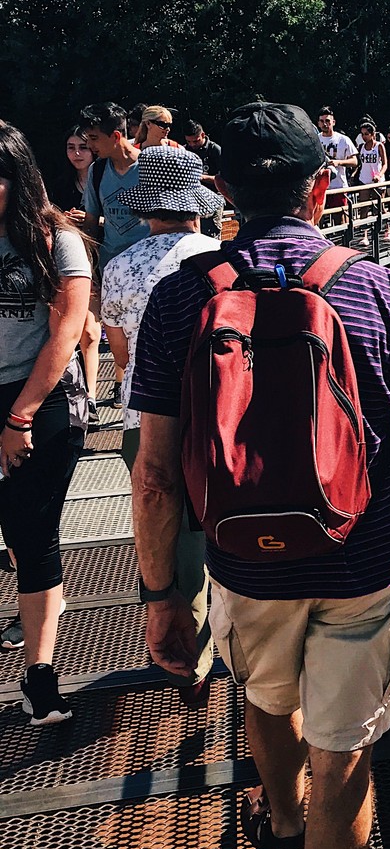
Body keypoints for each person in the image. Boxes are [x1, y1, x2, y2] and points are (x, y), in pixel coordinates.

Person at [129, 101, 390, 849]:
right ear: (325, 186)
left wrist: (164, 597)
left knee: (265, 695)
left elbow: (155, 477)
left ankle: (280, 832)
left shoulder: (179, 298)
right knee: (345, 753)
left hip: (244, 560)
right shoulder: (378, 288)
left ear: (225, 194)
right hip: (364, 568)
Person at [100, 147, 224, 705]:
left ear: (146, 207)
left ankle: (180, 646)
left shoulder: (121, 266)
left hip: (140, 416)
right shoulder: (220, 258)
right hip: (214, 417)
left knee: (170, 536)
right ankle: (218, 645)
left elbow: (121, 355)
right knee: (212, 533)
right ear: (196, 203)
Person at [0, 121, 91, 721]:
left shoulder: (54, 239)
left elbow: (65, 332)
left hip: (40, 400)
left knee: (31, 537)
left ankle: (39, 673)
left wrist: (19, 416)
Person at [79, 101, 149, 405]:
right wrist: (90, 270)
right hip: (112, 271)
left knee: (150, 339)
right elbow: (92, 224)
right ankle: (129, 396)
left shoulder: (148, 166)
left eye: (94, 138)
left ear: (116, 136)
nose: (89, 145)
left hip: (149, 270)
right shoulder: (97, 172)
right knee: (120, 343)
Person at [51, 128, 102, 426]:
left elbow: (122, 217)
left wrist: (93, 220)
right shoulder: (60, 185)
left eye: (83, 147)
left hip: (102, 258)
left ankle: (117, 382)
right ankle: (90, 397)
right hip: (71, 264)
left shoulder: (101, 179)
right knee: (87, 332)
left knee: (99, 331)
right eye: (71, 147)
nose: (77, 153)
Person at [316, 108, 358, 216]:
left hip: (338, 186)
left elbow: (355, 161)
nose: (325, 124)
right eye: (322, 121)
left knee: (340, 217)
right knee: (319, 218)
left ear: (333, 122)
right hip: (320, 187)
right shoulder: (315, 139)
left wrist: (339, 162)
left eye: (327, 121)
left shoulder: (343, 139)